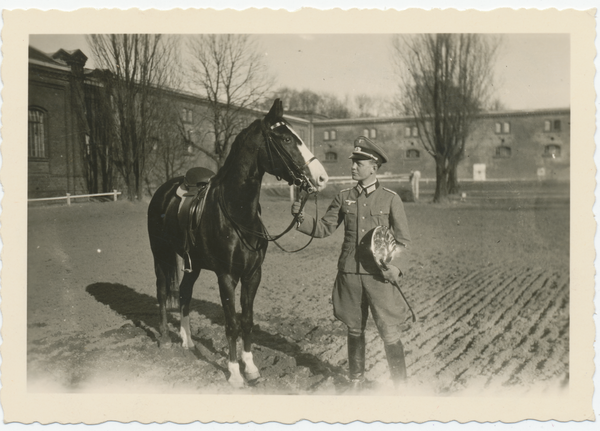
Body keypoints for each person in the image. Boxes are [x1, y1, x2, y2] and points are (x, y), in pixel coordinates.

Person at [292, 136, 412, 391]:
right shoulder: (343, 197)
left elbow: (403, 242)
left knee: (389, 332)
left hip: (379, 277)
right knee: (354, 330)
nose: (353, 166)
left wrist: (397, 268)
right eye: (353, 162)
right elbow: (325, 228)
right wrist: (301, 220)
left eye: (359, 162)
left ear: (374, 167)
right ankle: (356, 383)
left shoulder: (391, 199)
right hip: (350, 275)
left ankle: (400, 388)